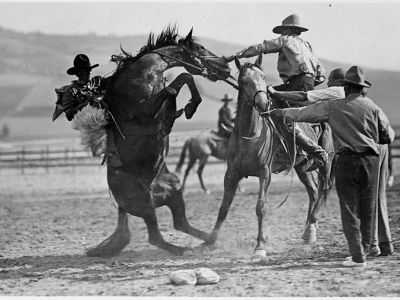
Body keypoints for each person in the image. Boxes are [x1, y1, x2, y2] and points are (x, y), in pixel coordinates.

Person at [268, 66, 395, 267]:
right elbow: (388, 135)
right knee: (368, 206)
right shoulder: (372, 106)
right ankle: (372, 247)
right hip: (371, 159)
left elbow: (303, 113)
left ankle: (358, 256)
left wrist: (279, 113)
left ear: (344, 86)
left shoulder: (334, 106)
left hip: (347, 160)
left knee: (349, 209)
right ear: (362, 88)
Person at [224, 13, 328, 170]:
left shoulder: (285, 40)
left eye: (283, 30)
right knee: (265, 94)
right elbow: (322, 74)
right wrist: (309, 81)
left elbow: (261, 48)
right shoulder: (307, 46)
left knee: (285, 115)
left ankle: (313, 151)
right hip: (305, 83)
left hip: (296, 84)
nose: (281, 33)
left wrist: (235, 56)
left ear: (287, 30)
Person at [60, 54, 122, 167]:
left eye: (89, 70)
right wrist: (86, 103)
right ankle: (112, 153)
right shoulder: (71, 92)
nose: (89, 72)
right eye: (85, 70)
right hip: (90, 121)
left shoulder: (97, 82)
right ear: (78, 73)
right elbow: (69, 115)